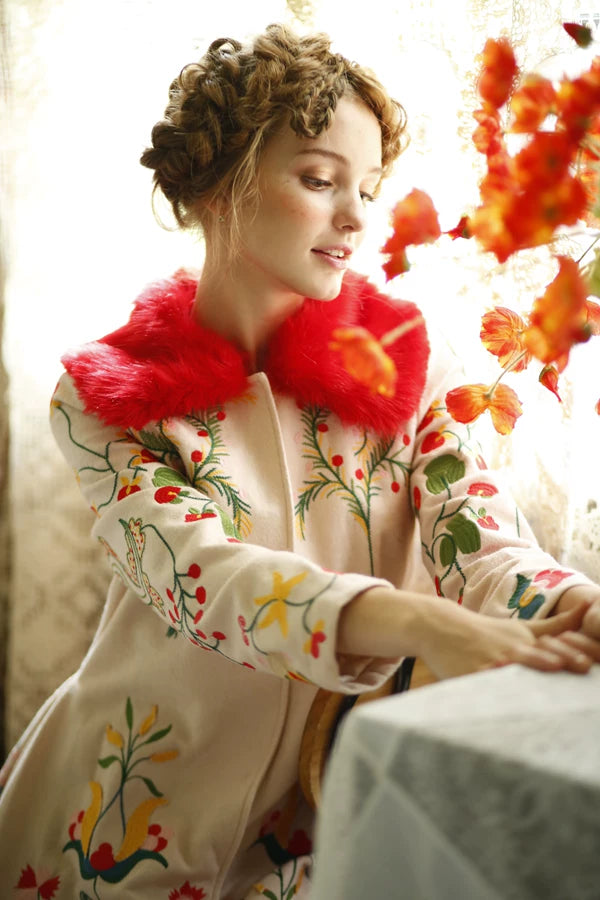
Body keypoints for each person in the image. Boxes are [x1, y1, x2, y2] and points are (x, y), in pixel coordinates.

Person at [1, 23, 599, 900]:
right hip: (116, 831)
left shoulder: (408, 366)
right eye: (320, 180)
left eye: (368, 187)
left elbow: (478, 537)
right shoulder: (104, 399)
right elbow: (207, 578)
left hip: (316, 844)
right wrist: (422, 625)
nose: (357, 216)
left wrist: (571, 604)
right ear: (219, 186)